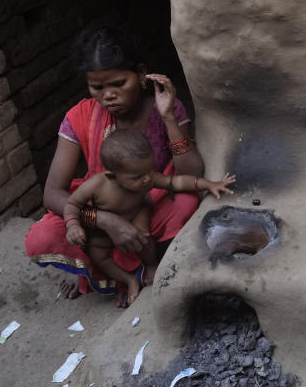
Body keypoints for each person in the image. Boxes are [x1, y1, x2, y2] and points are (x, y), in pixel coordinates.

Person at [25, 28, 207, 306]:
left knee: (183, 204)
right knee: (43, 236)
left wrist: (169, 117)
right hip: (99, 206)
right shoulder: (79, 116)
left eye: (119, 83)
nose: (108, 95)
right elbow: (52, 193)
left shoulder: (164, 109)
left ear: (142, 74)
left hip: (146, 202)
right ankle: (89, 267)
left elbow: (191, 173)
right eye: (97, 88)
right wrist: (107, 221)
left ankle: (130, 266)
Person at [63, 129, 236, 306]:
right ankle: (128, 279)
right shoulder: (96, 185)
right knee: (97, 255)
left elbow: (176, 182)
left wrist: (210, 184)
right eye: (138, 177)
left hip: (137, 212)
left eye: (149, 171)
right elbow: (71, 205)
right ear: (112, 177)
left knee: (144, 239)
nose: (147, 180)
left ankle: (151, 265)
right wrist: (72, 225)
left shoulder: (147, 177)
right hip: (101, 228)